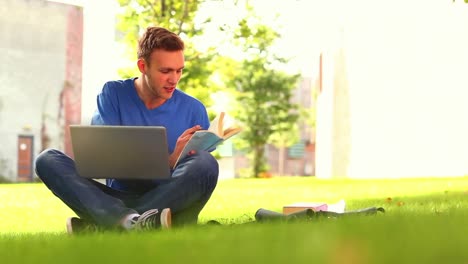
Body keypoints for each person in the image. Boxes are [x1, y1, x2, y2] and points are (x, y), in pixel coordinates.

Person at [35, 26, 219, 234]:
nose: (174, 79)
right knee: (47, 159)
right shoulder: (113, 94)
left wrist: (180, 161)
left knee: (206, 163)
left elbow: (193, 181)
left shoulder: (194, 109)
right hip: (114, 198)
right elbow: (104, 160)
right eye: (165, 71)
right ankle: (138, 221)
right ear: (143, 66)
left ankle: (114, 223)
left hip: (168, 201)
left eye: (179, 70)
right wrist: (168, 161)